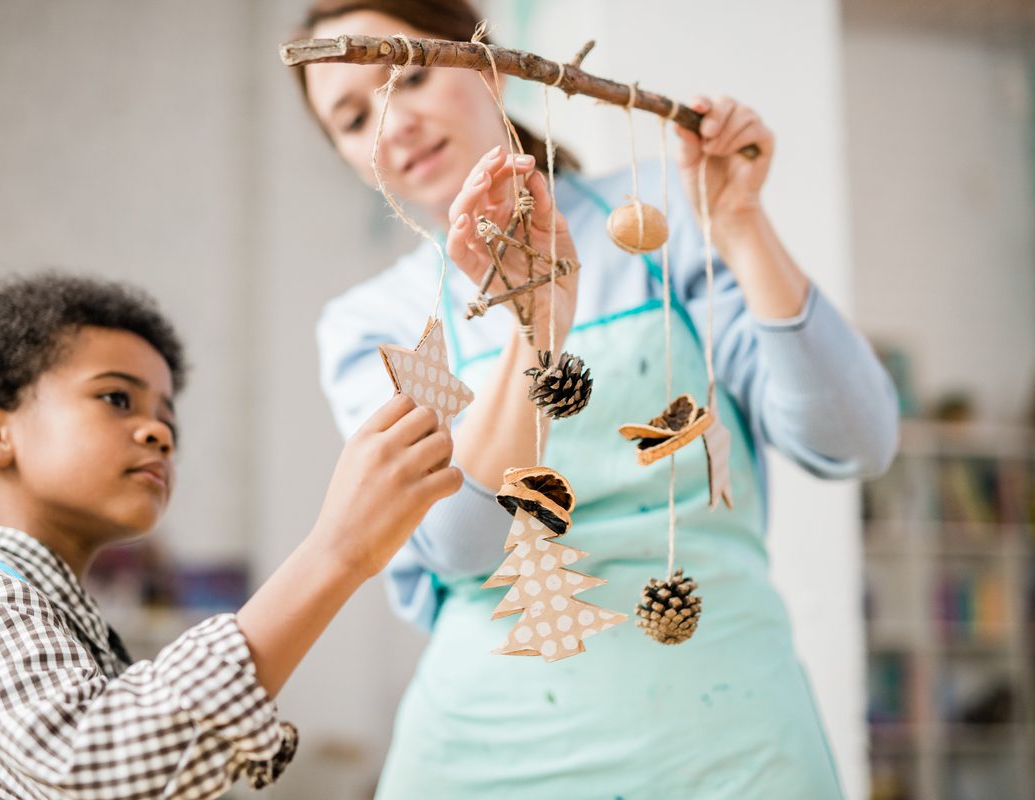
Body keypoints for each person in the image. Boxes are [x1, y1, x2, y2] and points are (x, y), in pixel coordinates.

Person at [295, 1, 899, 797]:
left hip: (731, 742)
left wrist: (742, 223)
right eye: (351, 117)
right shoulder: (376, 323)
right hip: (492, 751)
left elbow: (855, 442)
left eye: (408, 74)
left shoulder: (653, 221)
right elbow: (460, 546)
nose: (392, 122)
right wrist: (533, 332)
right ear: (346, 156)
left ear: (488, 65)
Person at [0, 273, 462, 798]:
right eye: (117, 398)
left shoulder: (64, 625)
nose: (159, 434)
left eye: (168, 419)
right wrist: (335, 552)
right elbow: (98, 777)